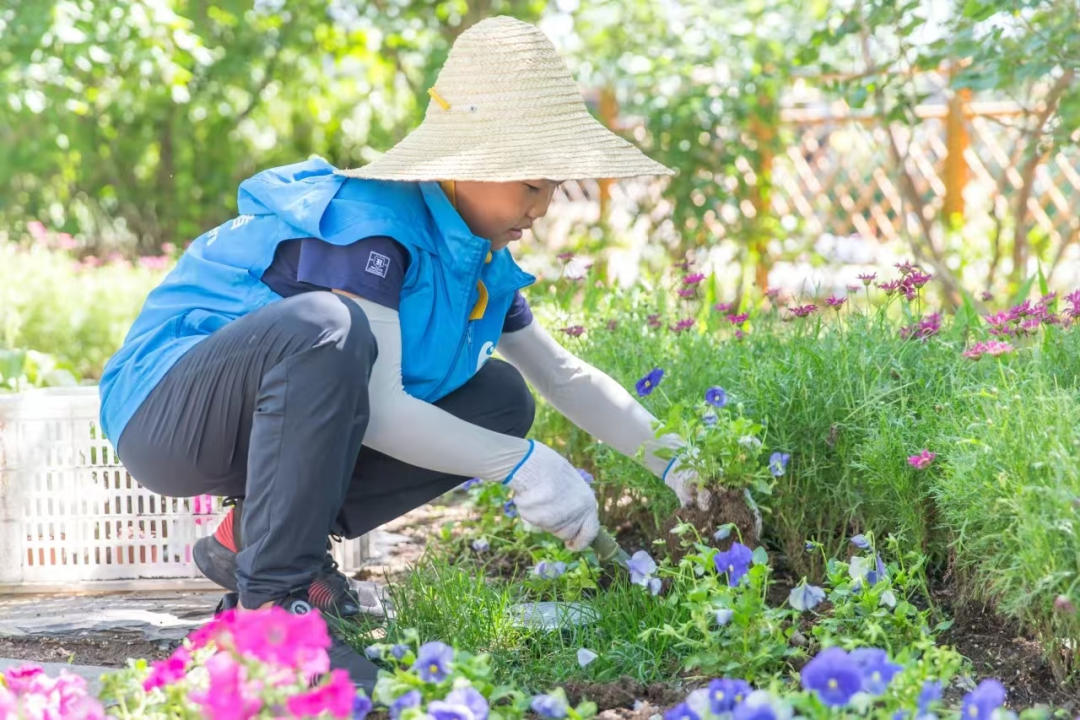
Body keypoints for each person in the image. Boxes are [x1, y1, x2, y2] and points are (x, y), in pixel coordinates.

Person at [98, 16, 703, 689]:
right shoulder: (375, 229)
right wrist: (525, 468)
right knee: (329, 327)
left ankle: (251, 540)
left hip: (261, 424)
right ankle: (272, 613)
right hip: (168, 412)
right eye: (531, 185)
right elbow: (380, 410)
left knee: (501, 399)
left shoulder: (476, 259)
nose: (543, 206)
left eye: (552, 187)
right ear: (467, 164)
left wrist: (686, 467)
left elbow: (563, 377)